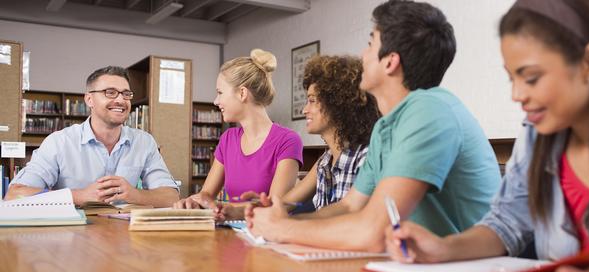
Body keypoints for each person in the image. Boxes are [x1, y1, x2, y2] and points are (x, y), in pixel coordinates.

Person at [385, 0, 589, 272]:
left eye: (530, 78)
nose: (517, 95)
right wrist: (442, 248)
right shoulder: (537, 136)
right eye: (512, 78)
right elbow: (506, 224)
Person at [246, 0, 501, 252]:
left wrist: (280, 230)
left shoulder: (429, 110)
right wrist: (283, 222)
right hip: (422, 270)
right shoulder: (385, 128)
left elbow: (372, 231)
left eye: (370, 44)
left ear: (390, 61)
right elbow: (350, 206)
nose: (362, 55)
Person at [6, 66, 179, 207]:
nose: (121, 100)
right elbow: (16, 194)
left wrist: (135, 195)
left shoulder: (144, 142)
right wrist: (79, 196)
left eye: (126, 94)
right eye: (110, 92)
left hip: (126, 239)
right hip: (72, 238)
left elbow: (171, 197)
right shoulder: (59, 142)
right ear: (89, 100)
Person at [174, 49, 303, 219]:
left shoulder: (287, 141)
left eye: (220, 92)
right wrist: (192, 202)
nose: (215, 101)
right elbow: (206, 195)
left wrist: (224, 207)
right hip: (230, 235)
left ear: (242, 93)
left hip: (266, 238)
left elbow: (274, 206)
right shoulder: (228, 138)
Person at [247, 55, 379, 211]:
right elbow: (281, 205)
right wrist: (240, 210)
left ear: (337, 103)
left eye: (312, 100)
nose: (304, 110)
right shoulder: (325, 162)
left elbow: (352, 225)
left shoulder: (366, 159)